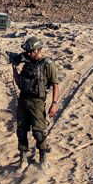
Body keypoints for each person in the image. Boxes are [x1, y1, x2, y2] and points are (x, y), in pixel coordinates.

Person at [13, 36, 60, 167]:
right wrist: (14, 68)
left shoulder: (47, 65)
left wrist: (54, 104)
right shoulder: (28, 64)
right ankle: (23, 158)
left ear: (38, 50)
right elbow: (19, 83)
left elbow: (55, 84)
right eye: (27, 52)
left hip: (37, 103)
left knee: (38, 132)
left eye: (31, 51)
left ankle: (43, 157)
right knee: (21, 131)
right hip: (23, 100)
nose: (28, 54)